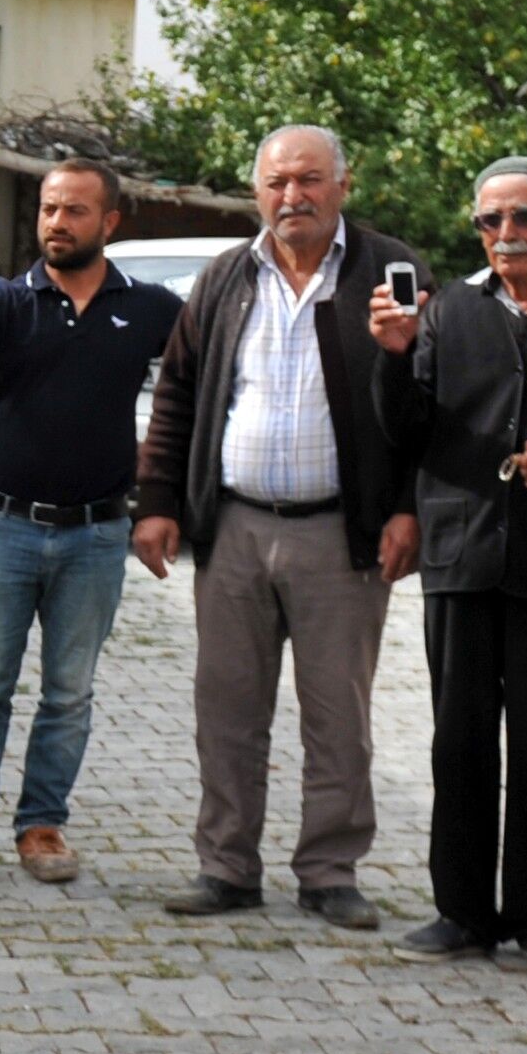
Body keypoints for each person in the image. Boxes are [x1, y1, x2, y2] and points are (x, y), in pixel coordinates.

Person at [132, 125, 424, 929]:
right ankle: (226, 866)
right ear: (257, 192)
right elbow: (178, 392)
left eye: (309, 179)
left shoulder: (388, 270)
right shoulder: (228, 276)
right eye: (277, 182)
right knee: (227, 713)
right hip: (234, 528)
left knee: (338, 718)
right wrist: (157, 502)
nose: (292, 196)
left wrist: (406, 507)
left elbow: (425, 405)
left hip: (341, 534)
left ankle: (330, 872)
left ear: (343, 184)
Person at [0, 161, 183, 887]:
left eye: (75, 210)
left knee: (69, 693)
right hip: (6, 530)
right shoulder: (6, 297)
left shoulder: (149, 306)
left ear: (109, 222)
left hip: (97, 535)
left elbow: (195, 386)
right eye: (50, 209)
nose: (58, 222)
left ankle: (41, 827)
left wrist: (164, 496)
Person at [370, 157, 527, 966]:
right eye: (489, 220)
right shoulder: (450, 310)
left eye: (524, 217)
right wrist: (395, 355)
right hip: (462, 554)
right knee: (458, 740)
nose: (506, 234)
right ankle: (460, 911)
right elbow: (406, 430)